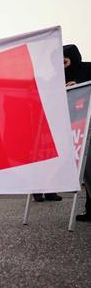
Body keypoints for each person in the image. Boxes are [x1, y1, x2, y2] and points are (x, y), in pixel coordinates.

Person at [61, 44, 91, 222]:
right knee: (85, 173)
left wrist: (80, 86)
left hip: (88, 125)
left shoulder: (88, 68)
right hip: (76, 129)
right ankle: (90, 209)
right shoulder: (61, 76)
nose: (64, 66)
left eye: (65, 61)